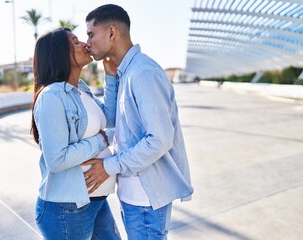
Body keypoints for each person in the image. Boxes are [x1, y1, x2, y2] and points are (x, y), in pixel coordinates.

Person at [83, 4, 194, 239]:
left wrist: (109, 166)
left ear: (111, 32)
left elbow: (159, 139)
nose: (87, 42)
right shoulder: (128, 72)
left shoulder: (143, 73)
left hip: (145, 199)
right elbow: (112, 120)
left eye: (91, 34)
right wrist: (111, 78)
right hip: (134, 194)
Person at [31, 27, 121, 240]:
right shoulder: (52, 96)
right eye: (75, 42)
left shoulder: (81, 89)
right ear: (59, 53)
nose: (85, 44)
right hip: (67, 208)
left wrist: (110, 77)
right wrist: (100, 140)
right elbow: (57, 159)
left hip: (95, 200)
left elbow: (109, 118)